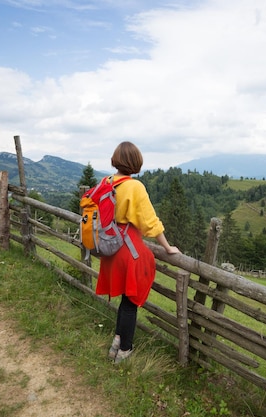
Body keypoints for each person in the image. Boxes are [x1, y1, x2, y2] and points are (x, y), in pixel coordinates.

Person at [95, 141, 180, 364]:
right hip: (128, 249)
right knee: (131, 301)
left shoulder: (106, 181)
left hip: (110, 248)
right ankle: (125, 350)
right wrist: (167, 247)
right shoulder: (134, 187)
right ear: (135, 162)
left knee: (125, 299)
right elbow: (150, 222)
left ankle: (117, 341)